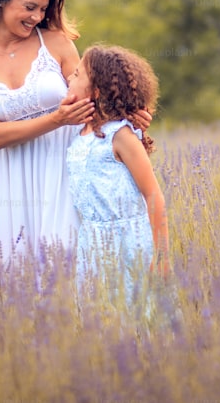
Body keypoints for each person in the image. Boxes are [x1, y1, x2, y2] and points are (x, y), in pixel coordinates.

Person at [0, 0, 151, 266]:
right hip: (17, 177)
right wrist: (56, 118)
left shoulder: (55, 42)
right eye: (30, 7)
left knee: (73, 260)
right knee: (26, 271)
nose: (37, 16)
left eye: (42, 9)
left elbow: (94, 97)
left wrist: (130, 118)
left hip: (67, 164)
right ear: (0, 0)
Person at [65, 44, 170, 300]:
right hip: (91, 242)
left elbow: (153, 195)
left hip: (129, 241)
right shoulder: (79, 133)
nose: (69, 77)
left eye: (77, 75)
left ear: (97, 91)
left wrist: (162, 257)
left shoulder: (120, 135)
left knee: (136, 311)